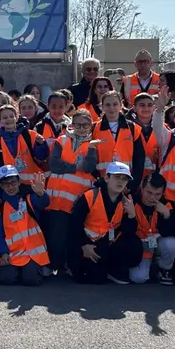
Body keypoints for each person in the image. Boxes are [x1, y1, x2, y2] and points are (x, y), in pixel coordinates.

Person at [69, 162, 142, 285]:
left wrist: (131, 215)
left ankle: (113, 270)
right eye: (117, 177)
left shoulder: (125, 201)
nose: (120, 182)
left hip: (107, 243)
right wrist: (83, 245)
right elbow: (74, 225)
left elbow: (129, 231)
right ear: (107, 178)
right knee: (94, 279)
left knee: (134, 245)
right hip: (87, 244)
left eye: (124, 179)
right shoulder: (90, 196)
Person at [44, 109, 98, 273]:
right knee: (56, 236)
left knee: (73, 234)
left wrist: (68, 167)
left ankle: (68, 265)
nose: (82, 128)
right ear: (72, 125)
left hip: (78, 199)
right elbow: (54, 164)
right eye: (78, 124)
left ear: (90, 126)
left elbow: (89, 167)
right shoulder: (62, 140)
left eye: (86, 125)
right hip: (57, 198)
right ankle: (53, 265)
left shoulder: (93, 145)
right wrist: (76, 167)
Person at [0, 167, 49, 286]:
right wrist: (3, 253)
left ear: (19, 181)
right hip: (13, 253)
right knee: (5, 279)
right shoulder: (0, 207)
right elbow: (0, 232)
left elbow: (43, 203)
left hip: (33, 252)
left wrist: (40, 193)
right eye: (6, 184)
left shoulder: (29, 199)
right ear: (1, 186)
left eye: (13, 182)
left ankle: (34, 270)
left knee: (31, 280)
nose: (10, 187)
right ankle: (19, 271)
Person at [128, 173, 175, 285]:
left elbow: (169, 233)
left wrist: (166, 215)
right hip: (140, 247)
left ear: (163, 193)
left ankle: (163, 268)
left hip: (158, 245)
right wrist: (131, 215)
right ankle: (148, 267)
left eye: (157, 194)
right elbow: (127, 232)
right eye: (149, 192)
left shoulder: (167, 205)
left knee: (172, 244)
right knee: (139, 278)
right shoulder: (132, 202)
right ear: (142, 188)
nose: (152, 198)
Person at [0, 104, 49, 199]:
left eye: (11, 116)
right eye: (4, 117)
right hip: (11, 189)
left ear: (17, 117)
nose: (8, 119)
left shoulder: (30, 135)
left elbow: (42, 156)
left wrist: (41, 144)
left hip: (33, 188)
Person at [92, 91, 145, 193]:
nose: (111, 108)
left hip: (125, 183)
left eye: (115, 104)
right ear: (101, 106)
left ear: (121, 105)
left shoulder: (133, 128)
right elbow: (90, 156)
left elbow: (139, 159)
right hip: (102, 183)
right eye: (107, 105)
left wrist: (132, 184)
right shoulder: (94, 128)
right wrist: (98, 180)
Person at [128, 93, 159, 178]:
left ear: (154, 107)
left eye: (149, 105)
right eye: (142, 105)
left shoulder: (162, 128)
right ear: (134, 108)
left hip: (153, 178)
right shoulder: (127, 128)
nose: (146, 108)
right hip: (131, 176)